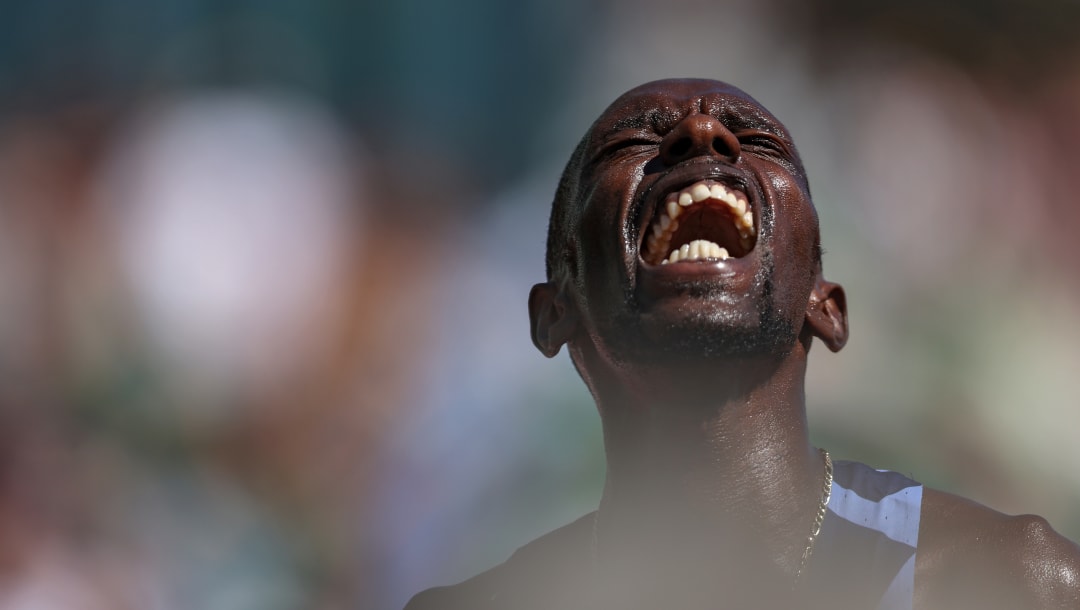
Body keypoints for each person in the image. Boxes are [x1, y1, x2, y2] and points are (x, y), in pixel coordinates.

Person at [404, 79, 1080, 609]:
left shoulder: (1013, 585)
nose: (703, 134)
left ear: (828, 308)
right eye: (630, 144)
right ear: (555, 314)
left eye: (756, 140)